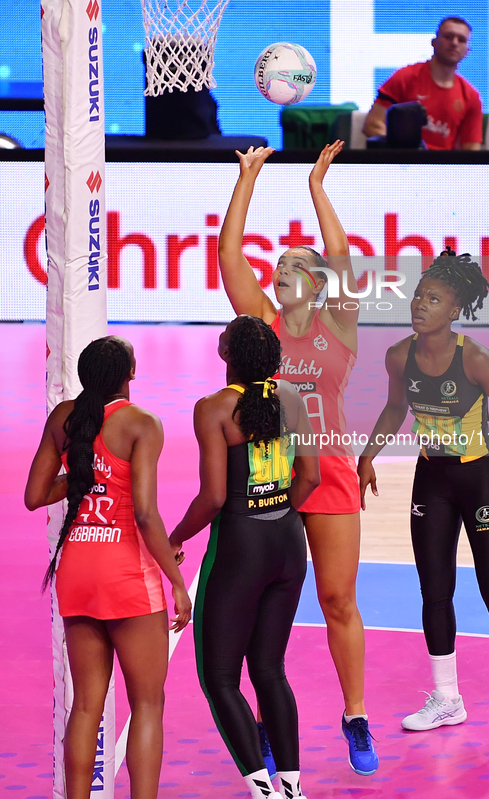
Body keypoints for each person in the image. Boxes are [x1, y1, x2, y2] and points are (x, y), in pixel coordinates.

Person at [217, 142, 379, 777]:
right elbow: (230, 255)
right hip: (272, 473)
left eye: (292, 266)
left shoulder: (339, 323)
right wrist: (248, 179)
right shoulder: (263, 325)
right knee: (262, 608)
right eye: (277, 265)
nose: (280, 270)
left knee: (339, 598)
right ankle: (262, 720)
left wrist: (317, 185)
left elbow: (339, 256)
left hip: (331, 470)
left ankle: (355, 715)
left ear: (315, 282)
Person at [357, 250, 489, 753]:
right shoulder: (399, 355)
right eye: (418, 294)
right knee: (434, 593)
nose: (420, 304)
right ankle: (446, 699)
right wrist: (367, 456)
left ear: (454, 309)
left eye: (433, 298)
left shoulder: (476, 358)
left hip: (480, 478)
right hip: (430, 480)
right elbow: (395, 408)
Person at [24, 336, 191, 799]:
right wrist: (176, 581)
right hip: (127, 577)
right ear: (129, 374)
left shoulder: (63, 419)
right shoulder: (141, 423)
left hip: (76, 570)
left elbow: (34, 495)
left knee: (85, 709)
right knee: (147, 705)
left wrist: (82, 474)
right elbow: (144, 513)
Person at [169, 316, 319, 799]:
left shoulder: (213, 408)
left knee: (219, 677)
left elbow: (213, 497)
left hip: (239, 550)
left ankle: (261, 789)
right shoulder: (294, 400)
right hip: (289, 546)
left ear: (225, 353)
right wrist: (277, 511)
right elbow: (310, 478)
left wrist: (175, 536)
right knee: (270, 669)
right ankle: (292, 787)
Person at [362, 16, 483, 150]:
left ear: (467, 50)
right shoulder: (405, 77)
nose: (454, 43)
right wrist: (403, 152)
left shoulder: (471, 96)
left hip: (443, 168)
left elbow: (471, 149)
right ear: (434, 42)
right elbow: (372, 124)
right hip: (402, 165)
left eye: (461, 40)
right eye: (448, 37)